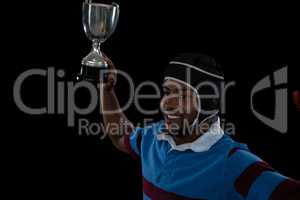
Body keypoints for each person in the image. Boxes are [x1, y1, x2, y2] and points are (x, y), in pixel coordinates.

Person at [100, 53, 300, 200]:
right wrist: (106, 91)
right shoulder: (153, 136)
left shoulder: (233, 163)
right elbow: (120, 137)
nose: (167, 103)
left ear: (208, 103)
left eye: (182, 95)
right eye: (167, 92)